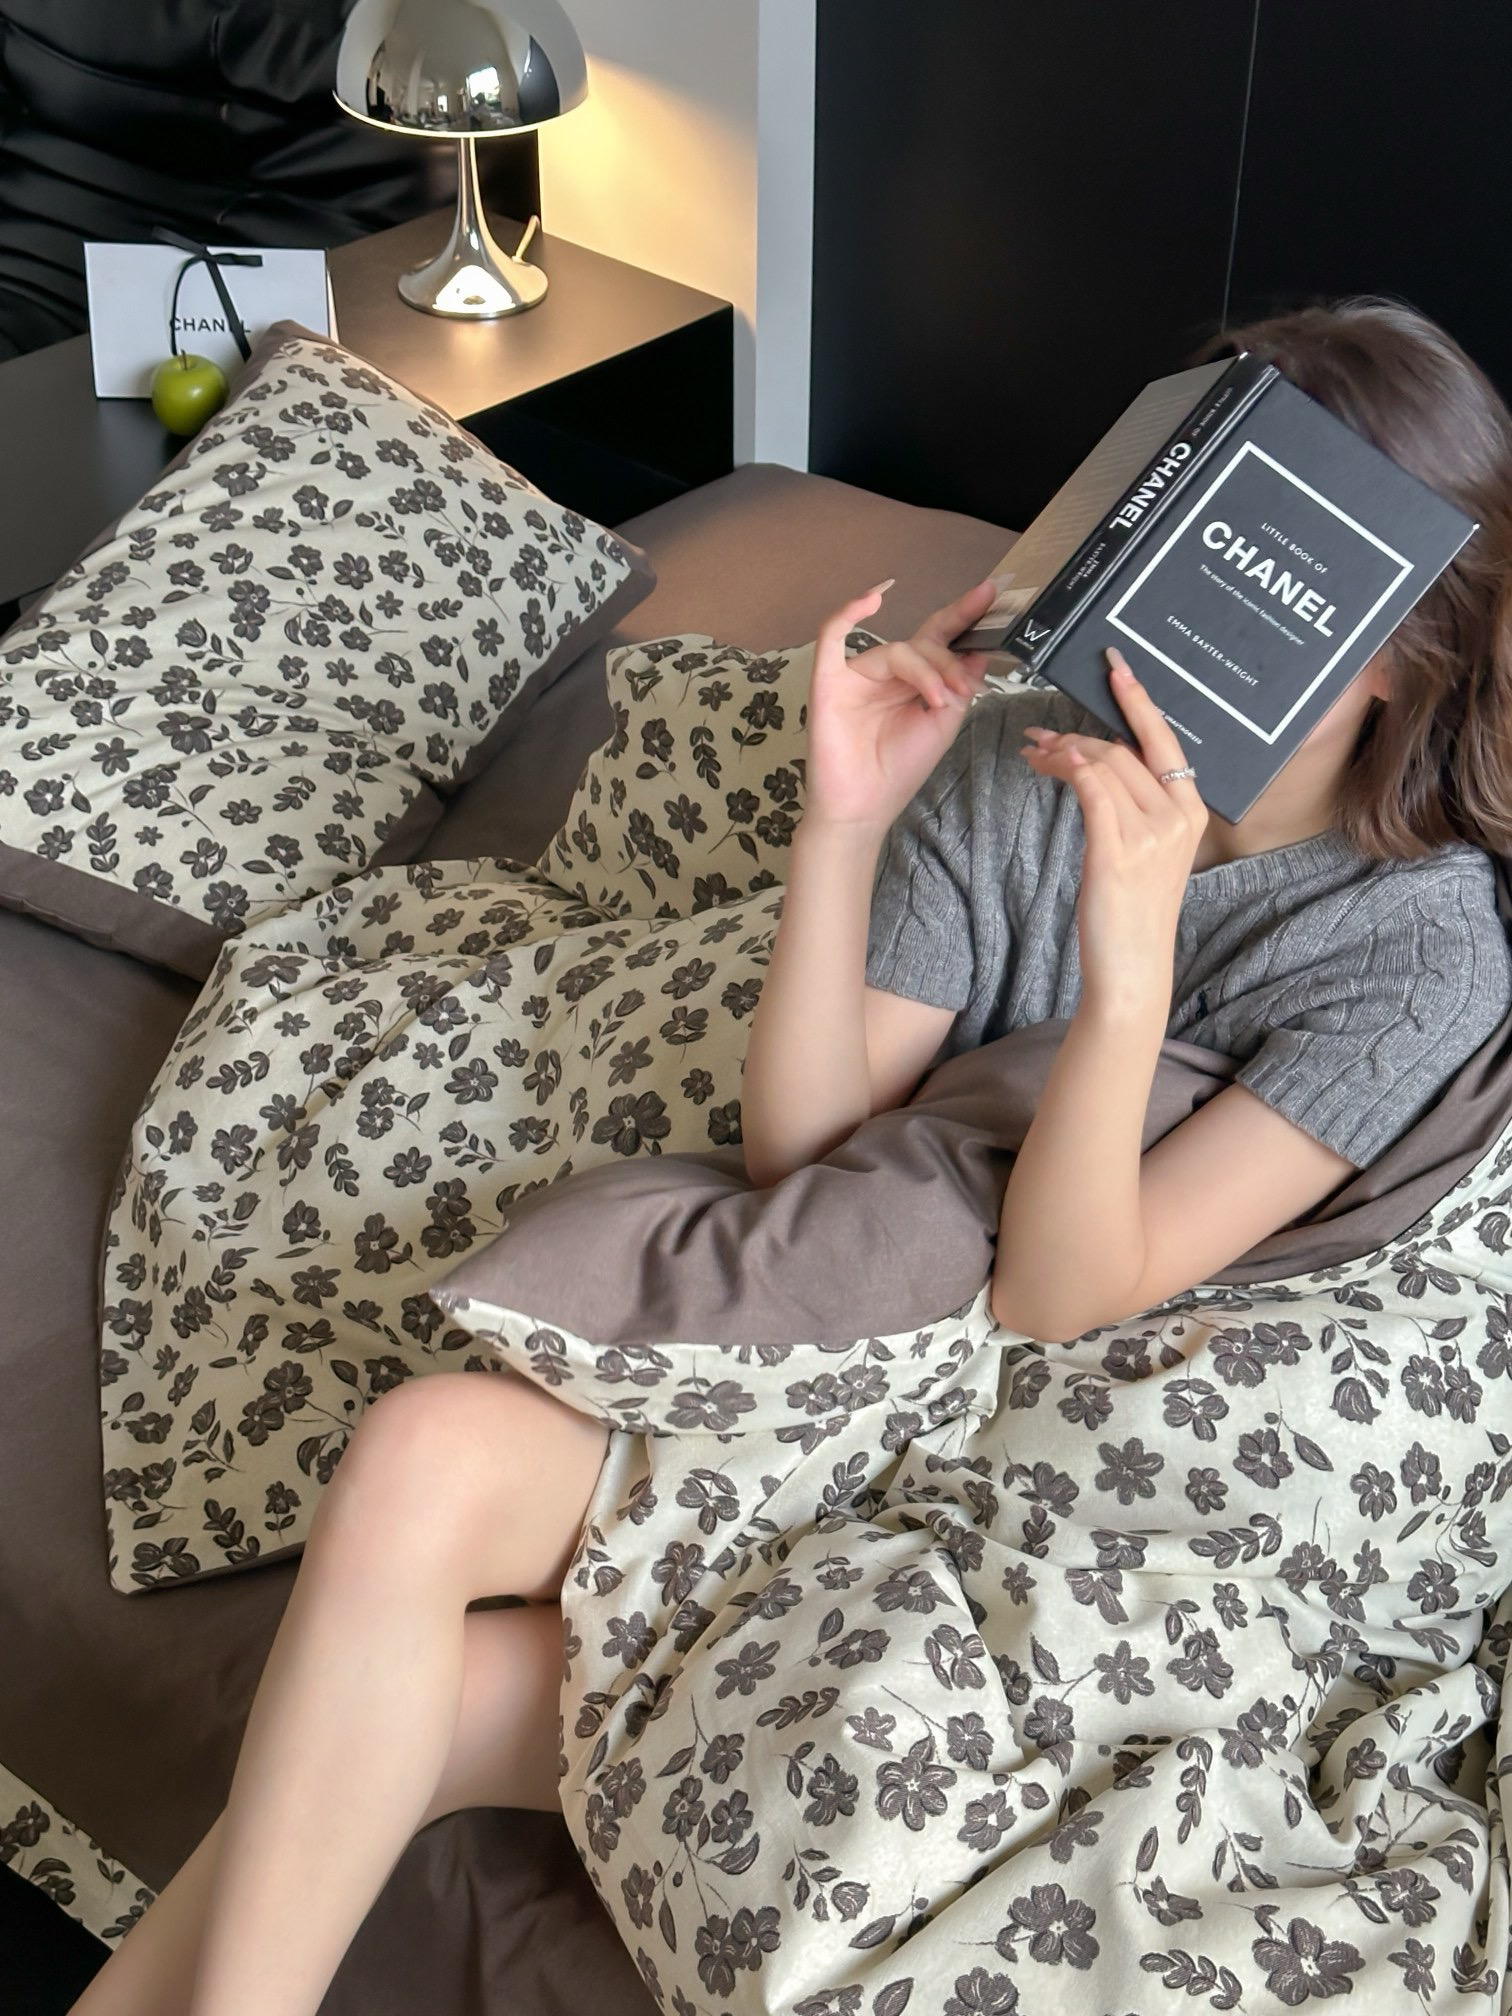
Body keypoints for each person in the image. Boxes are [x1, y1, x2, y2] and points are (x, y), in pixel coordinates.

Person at [72, 293, 1512, 2016]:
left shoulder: (1415, 951)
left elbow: (1067, 1296)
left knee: (442, 1695)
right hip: (866, 1315)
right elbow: (809, 1146)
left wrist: (1131, 970)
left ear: (1401, 643)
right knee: (418, 1454)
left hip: (1067, 1420)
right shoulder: (1021, 761)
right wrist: (844, 821)